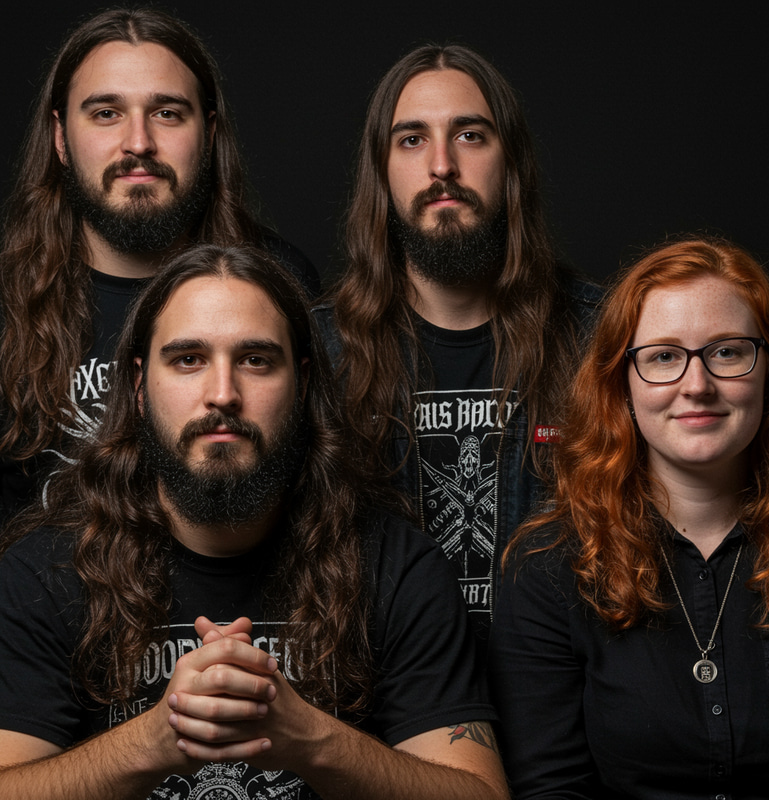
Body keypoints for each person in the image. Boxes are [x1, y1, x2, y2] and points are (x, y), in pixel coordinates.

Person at [0, 244, 508, 800]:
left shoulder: (395, 565)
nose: (223, 394)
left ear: (304, 383)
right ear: (141, 388)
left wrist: (307, 738)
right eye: (188, 359)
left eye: (256, 360)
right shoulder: (44, 570)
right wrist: (153, 741)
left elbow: (481, 792)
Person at [489, 236, 769, 798]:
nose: (697, 385)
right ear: (621, 385)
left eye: (727, 351)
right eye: (663, 357)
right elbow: (552, 787)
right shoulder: (549, 567)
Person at [313, 43, 599, 646]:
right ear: (382, 171)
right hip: (388, 705)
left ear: (510, 162)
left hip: (560, 704)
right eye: (412, 140)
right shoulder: (317, 352)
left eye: (470, 135)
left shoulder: (599, 338)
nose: (441, 165)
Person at [0, 8, 318, 525]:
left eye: (167, 113)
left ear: (208, 132)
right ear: (60, 137)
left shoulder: (282, 281)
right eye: (106, 113)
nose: (139, 143)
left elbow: (316, 489)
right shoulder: (8, 299)